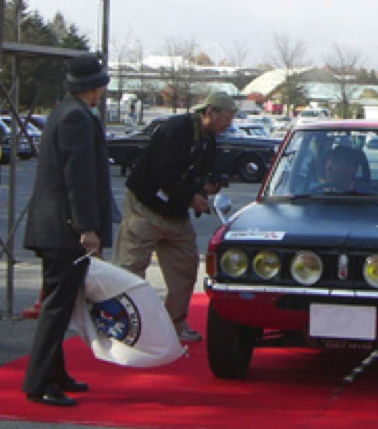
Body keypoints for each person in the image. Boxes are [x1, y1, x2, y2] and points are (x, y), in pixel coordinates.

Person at [21, 53, 114, 408]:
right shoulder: (77, 118)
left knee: (58, 304)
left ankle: (55, 373)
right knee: (57, 308)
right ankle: (40, 382)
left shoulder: (63, 112)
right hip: (65, 230)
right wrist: (87, 228)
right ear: (94, 87)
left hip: (54, 226)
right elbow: (79, 179)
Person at [113, 91, 236, 343]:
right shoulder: (175, 129)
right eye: (227, 117)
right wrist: (191, 197)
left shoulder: (209, 139)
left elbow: (201, 172)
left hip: (175, 212)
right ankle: (125, 326)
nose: (229, 124)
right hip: (146, 206)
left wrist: (207, 186)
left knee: (185, 269)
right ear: (209, 112)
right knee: (131, 267)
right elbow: (163, 172)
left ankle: (174, 325)